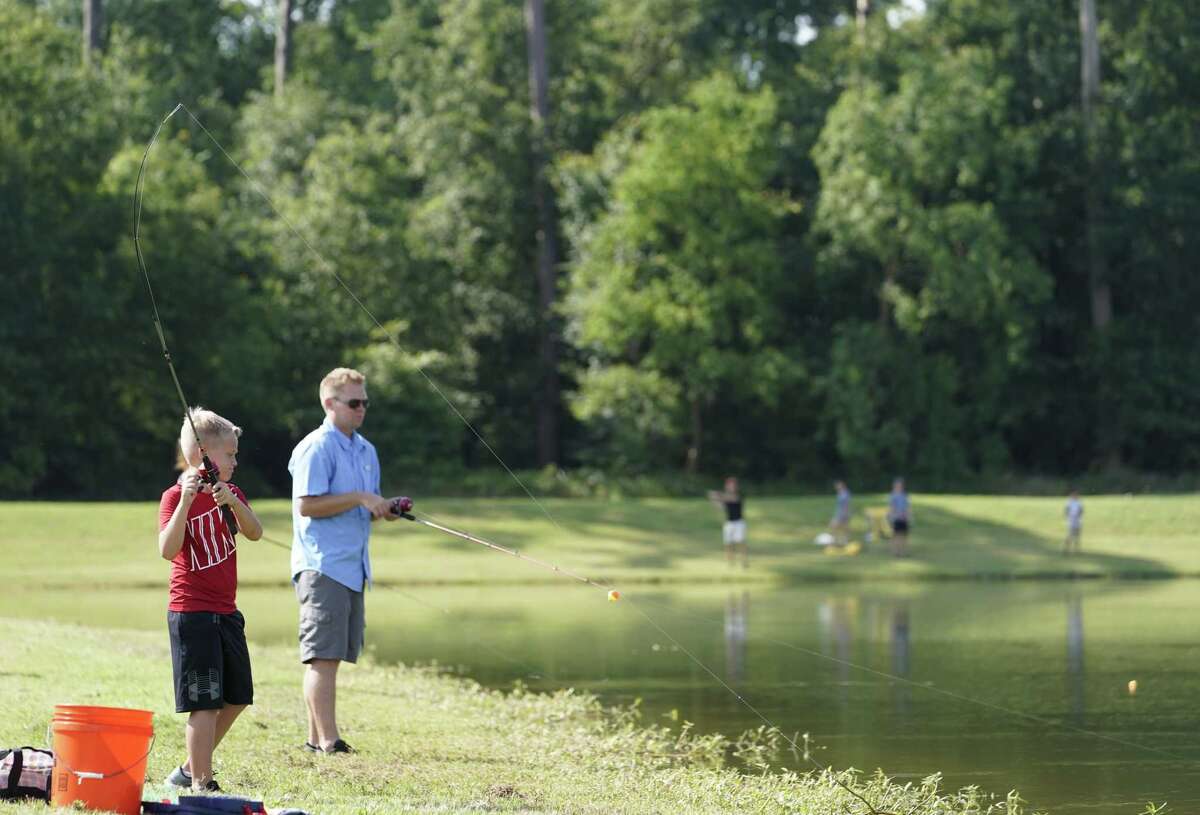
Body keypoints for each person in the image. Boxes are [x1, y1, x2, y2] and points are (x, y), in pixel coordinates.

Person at [288, 367, 405, 754]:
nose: (361, 410)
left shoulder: (366, 450)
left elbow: (366, 504)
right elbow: (307, 505)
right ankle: (328, 740)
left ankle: (313, 739)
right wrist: (358, 497)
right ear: (329, 403)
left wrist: (383, 508)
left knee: (332, 656)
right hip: (322, 566)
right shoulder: (315, 448)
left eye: (365, 403)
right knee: (322, 657)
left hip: (354, 567)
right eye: (354, 403)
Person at [158, 408, 263, 792]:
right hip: (192, 613)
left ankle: (187, 769)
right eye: (230, 454)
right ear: (204, 454)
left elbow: (255, 532)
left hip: (226, 611)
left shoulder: (231, 493)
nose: (235, 461)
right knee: (205, 702)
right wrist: (186, 503)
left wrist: (233, 503)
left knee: (238, 696)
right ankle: (202, 782)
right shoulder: (173, 497)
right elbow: (167, 550)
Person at [707, 476, 747, 568]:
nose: (731, 487)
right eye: (730, 486)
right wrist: (713, 500)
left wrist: (716, 494)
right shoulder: (726, 497)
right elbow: (720, 507)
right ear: (727, 486)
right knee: (728, 543)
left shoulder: (739, 495)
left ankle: (743, 562)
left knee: (740, 542)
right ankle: (730, 563)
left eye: (733, 486)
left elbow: (731, 498)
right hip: (729, 523)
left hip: (739, 523)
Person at [888, 477, 911, 557]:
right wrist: (892, 516)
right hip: (896, 518)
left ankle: (902, 551)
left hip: (904, 518)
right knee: (895, 535)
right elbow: (892, 507)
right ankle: (895, 551)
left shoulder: (905, 495)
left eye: (900, 485)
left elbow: (907, 507)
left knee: (904, 535)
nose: (899, 487)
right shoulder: (893, 496)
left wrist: (907, 516)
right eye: (897, 485)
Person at [830, 480, 852, 546]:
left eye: (838, 485)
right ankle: (842, 540)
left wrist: (845, 514)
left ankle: (836, 541)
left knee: (834, 525)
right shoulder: (841, 493)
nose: (836, 487)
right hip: (839, 513)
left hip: (842, 514)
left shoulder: (845, 494)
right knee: (844, 527)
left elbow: (846, 505)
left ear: (842, 486)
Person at [1064, 489, 1083, 555]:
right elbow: (1066, 511)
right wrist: (1069, 517)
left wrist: (1078, 516)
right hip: (1071, 521)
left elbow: (1081, 510)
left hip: (1078, 521)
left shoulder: (1079, 502)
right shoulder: (1069, 502)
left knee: (1077, 536)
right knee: (1070, 535)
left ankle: (1076, 550)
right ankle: (1066, 549)